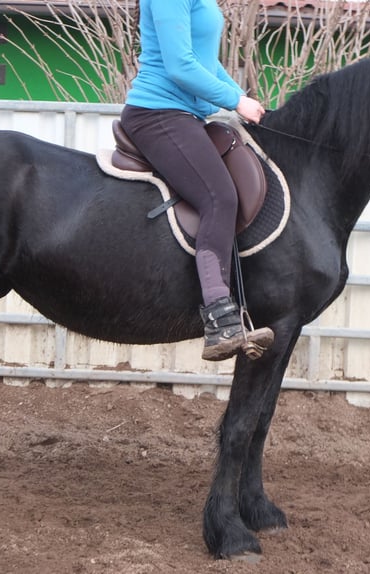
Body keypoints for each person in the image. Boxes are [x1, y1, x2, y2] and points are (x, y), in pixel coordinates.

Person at [121, 0, 274, 361]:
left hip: (186, 115)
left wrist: (240, 96)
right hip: (157, 112)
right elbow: (180, 65)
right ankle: (219, 317)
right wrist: (235, 101)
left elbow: (205, 61)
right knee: (219, 197)